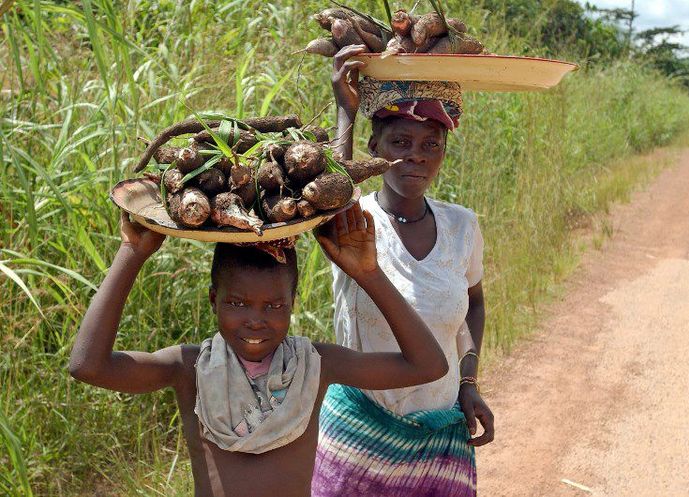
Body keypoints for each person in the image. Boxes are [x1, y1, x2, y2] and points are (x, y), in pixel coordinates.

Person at [68, 207, 448, 497]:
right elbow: (88, 366)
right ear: (214, 299)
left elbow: (428, 365)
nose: (255, 320)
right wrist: (131, 253)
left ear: (293, 303)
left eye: (274, 306)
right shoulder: (190, 368)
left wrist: (368, 274)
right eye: (237, 303)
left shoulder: (315, 364)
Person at [312, 45, 494, 497]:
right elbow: (334, 186)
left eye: (431, 145)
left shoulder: (461, 227)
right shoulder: (354, 224)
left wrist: (468, 382)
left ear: (443, 153)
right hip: (358, 430)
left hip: (438, 430)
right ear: (375, 147)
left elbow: (473, 303)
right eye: (401, 142)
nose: (417, 156)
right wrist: (345, 109)